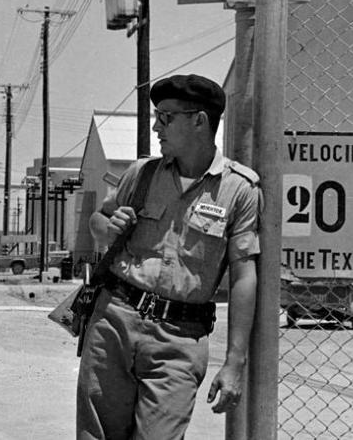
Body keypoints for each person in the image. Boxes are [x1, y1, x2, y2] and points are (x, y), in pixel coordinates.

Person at [77, 74, 261, 439]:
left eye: (166, 117)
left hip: (179, 339)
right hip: (114, 321)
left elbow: (244, 276)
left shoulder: (238, 190)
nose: (156, 126)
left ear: (199, 121)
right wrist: (108, 226)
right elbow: (99, 221)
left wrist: (234, 363)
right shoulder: (141, 173)